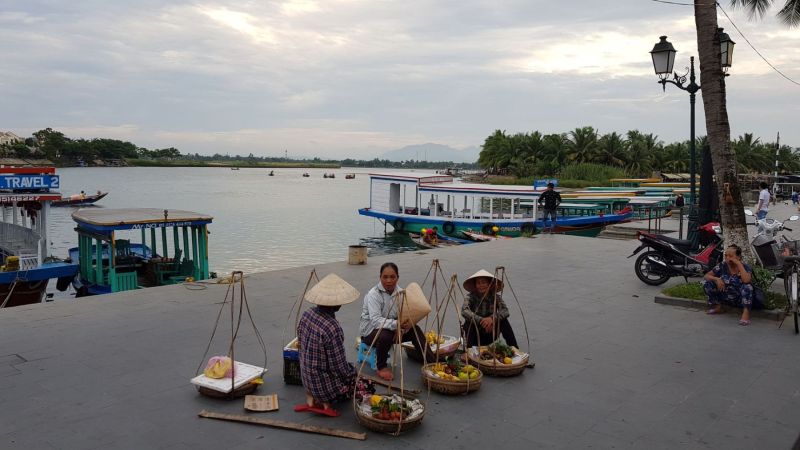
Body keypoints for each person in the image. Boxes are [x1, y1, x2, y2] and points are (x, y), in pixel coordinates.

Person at [295, 274, 360, 417]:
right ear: (337, 305)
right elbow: (338, 366)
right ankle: (325, 401)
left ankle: (310, 398)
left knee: (321, 367)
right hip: (322, 386)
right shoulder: (332, 327)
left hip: (306, 379)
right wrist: (352, 372)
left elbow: (300, 343)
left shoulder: (307, 314)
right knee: (361, 383)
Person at [359, 262, 435, 381]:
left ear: (397, 278)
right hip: (370, 333)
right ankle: (381, 367)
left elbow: (403, 314)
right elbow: (375, 321)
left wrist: (406, 324)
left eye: (392, 277)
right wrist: (396, 324)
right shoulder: (374, 294)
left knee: (415, 329)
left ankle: (431, 361)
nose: (389, 281)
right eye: (385, 277)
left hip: (393, 329)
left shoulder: (400, 293)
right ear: (380, 277)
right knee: (385, 334)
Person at [461, 269, 518, 347]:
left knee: (504, 321)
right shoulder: (470, 297)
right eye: (478, 283)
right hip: (474, 336)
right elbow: (464, 310)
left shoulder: (495, 297)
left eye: (484, 282)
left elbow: (505, 311)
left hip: (490, 334)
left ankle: (514, 348)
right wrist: (481, 320)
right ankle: (467, 350)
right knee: (469, 322)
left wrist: (492, 319)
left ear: (489, 284)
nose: (481, 285)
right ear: (475, 285)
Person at [704, 244, 754, 326]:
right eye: (726, 255)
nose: (727, 258)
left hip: (740, 298)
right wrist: (717, 279)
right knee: (708, 284)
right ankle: (718, 307)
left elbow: (746, 280)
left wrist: (738, 264)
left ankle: (746, 314)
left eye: (730, 256)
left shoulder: (745, 267)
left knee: (747, 287)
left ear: (738, 257)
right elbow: (706, 276)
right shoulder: (722, 265)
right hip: (725, 295)